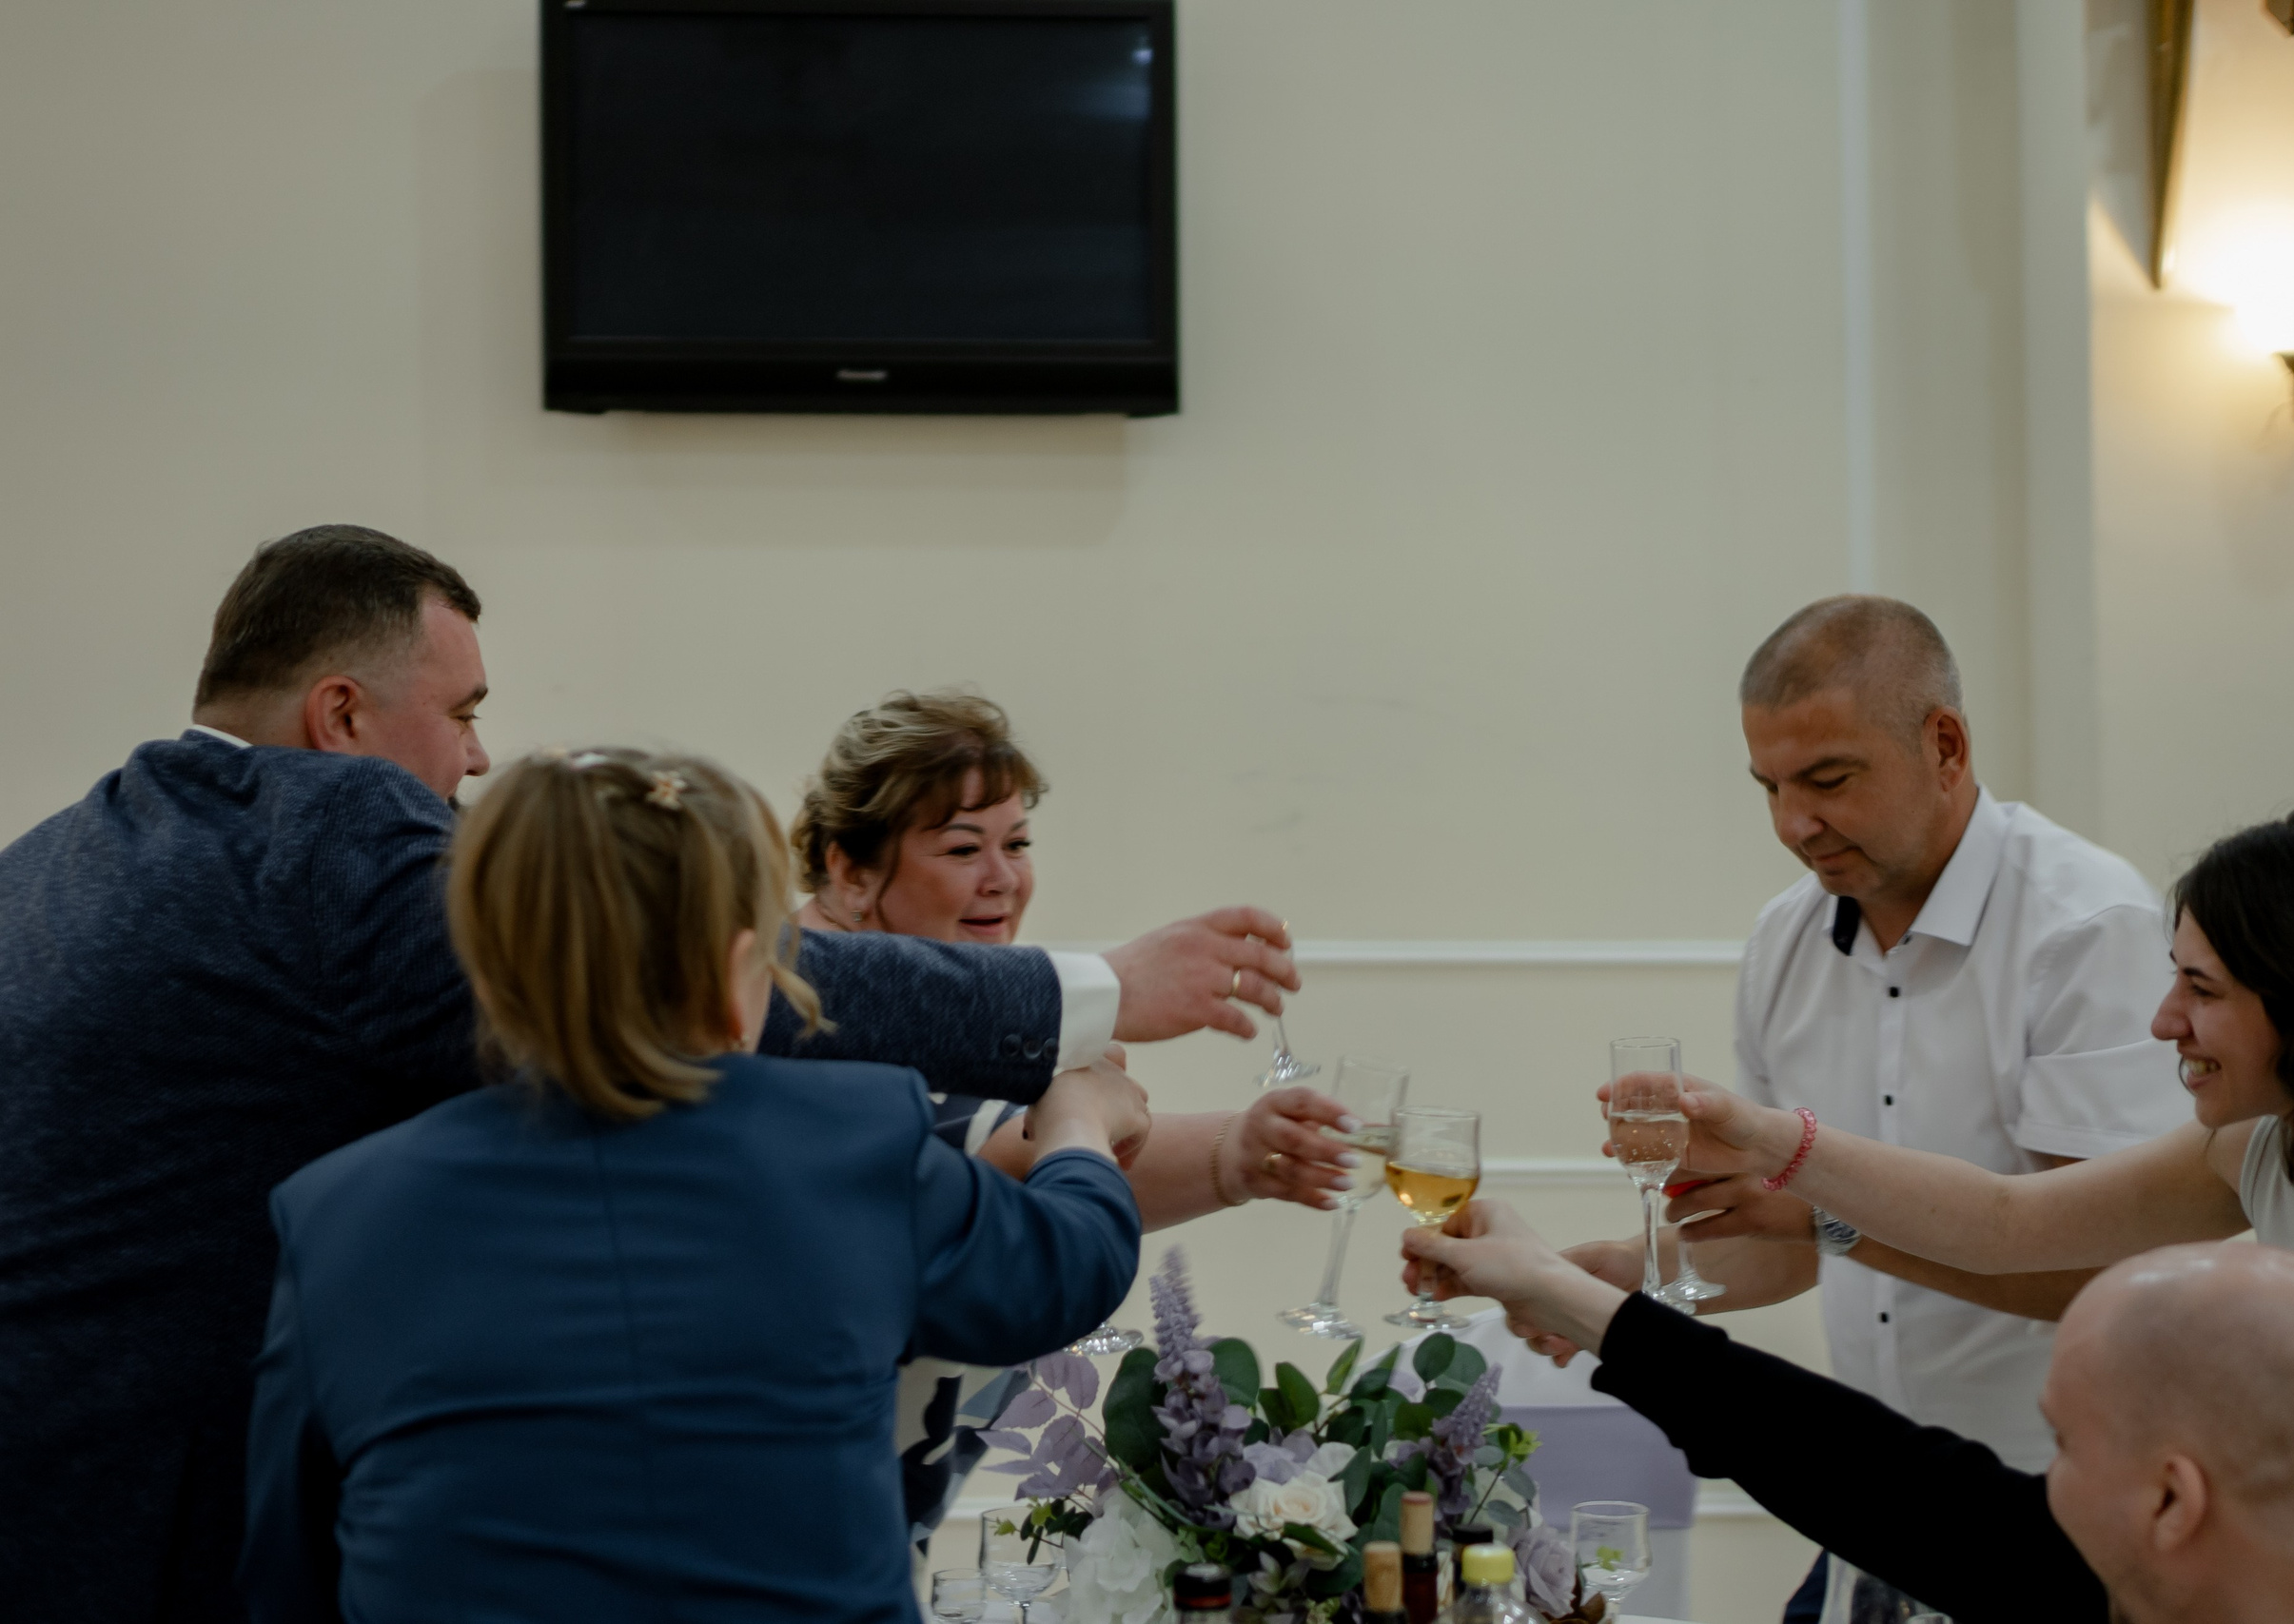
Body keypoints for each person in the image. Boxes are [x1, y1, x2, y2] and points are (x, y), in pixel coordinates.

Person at [0, 524, 1298, 1624]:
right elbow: (1049, 1259)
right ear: (340, 714)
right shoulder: (333, 828)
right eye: (462, 715)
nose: (474, 761)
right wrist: (1088, 1018)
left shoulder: (56, 862)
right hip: (160, 1515)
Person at [241, 747, 1147, 1623]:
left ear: (485, 964)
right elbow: (1068, 1268)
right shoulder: (853, 1141)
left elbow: (290, 1571)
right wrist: (1077, 1122)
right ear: (732, 971)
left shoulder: (337, 1214)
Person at [1601, 597, 2185, 1617]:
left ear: (1944, 746)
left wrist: (1826, 1219)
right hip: (1871, 1507)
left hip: (2060, 1516)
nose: (1794, 825)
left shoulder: (2089, 926)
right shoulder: (1782, 942)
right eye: (1771, 788)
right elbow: (1780, 1246)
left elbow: (2108, 1278)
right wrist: (1603, 1284)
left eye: (1829, 781)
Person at [1647, 804, 2294, 1497]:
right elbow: (2004, 1221)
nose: (2164, 1021)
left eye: (2203, 989)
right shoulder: (2258, 1146)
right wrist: (1771, 1140)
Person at [790, 688, 1363, 1546]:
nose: (1003, 877)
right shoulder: (806, 1016)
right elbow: (987, 1167)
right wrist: (1208, 1149)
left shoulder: (945, 1005)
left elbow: (1025, 1153)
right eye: (963, 847)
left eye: (1017, 843)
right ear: (851, 871)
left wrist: (1236, 1153)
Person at [1404, 1201, 2294, 1624]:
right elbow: (1868, 1469)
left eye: (2065, 1447)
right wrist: (1563, 1294)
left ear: (2173, 1501)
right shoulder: (2180, 1561)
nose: (2036, 1485)